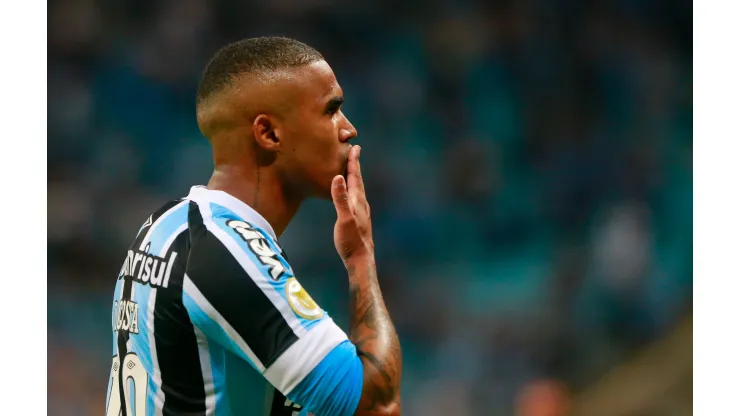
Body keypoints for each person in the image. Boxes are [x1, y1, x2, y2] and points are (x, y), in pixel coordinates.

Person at [105, 36, 402, 416]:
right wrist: (361, 257)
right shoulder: (224, 251)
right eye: (331, 111)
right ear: (269, 134)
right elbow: (377, 404)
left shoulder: (165, 226)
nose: (349, 129)